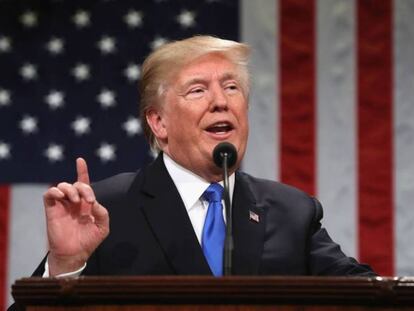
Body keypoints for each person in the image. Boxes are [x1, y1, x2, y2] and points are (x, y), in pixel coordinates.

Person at [34, 35, 375, 278]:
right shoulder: (107, 208)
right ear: (159, 122)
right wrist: (66, 267)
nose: (220, 101)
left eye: (231, 87)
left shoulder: (291, 212)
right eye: (198, 90)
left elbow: (363, 293)